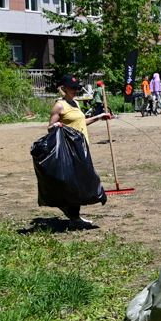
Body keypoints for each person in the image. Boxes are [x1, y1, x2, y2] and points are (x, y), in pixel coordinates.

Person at [46, 75, 113, 229]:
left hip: (81, 146)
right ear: (63, 88)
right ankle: (73, 216)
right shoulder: (60, 106)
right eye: (72, 88)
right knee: (74, 182)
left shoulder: (75, 103)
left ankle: (71, 213)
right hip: (69, 148)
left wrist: (99, 117)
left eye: (76, 88)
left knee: (79, 181)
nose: (75, 90)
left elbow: (81, 122)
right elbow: (50, 127)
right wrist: (57, 126)